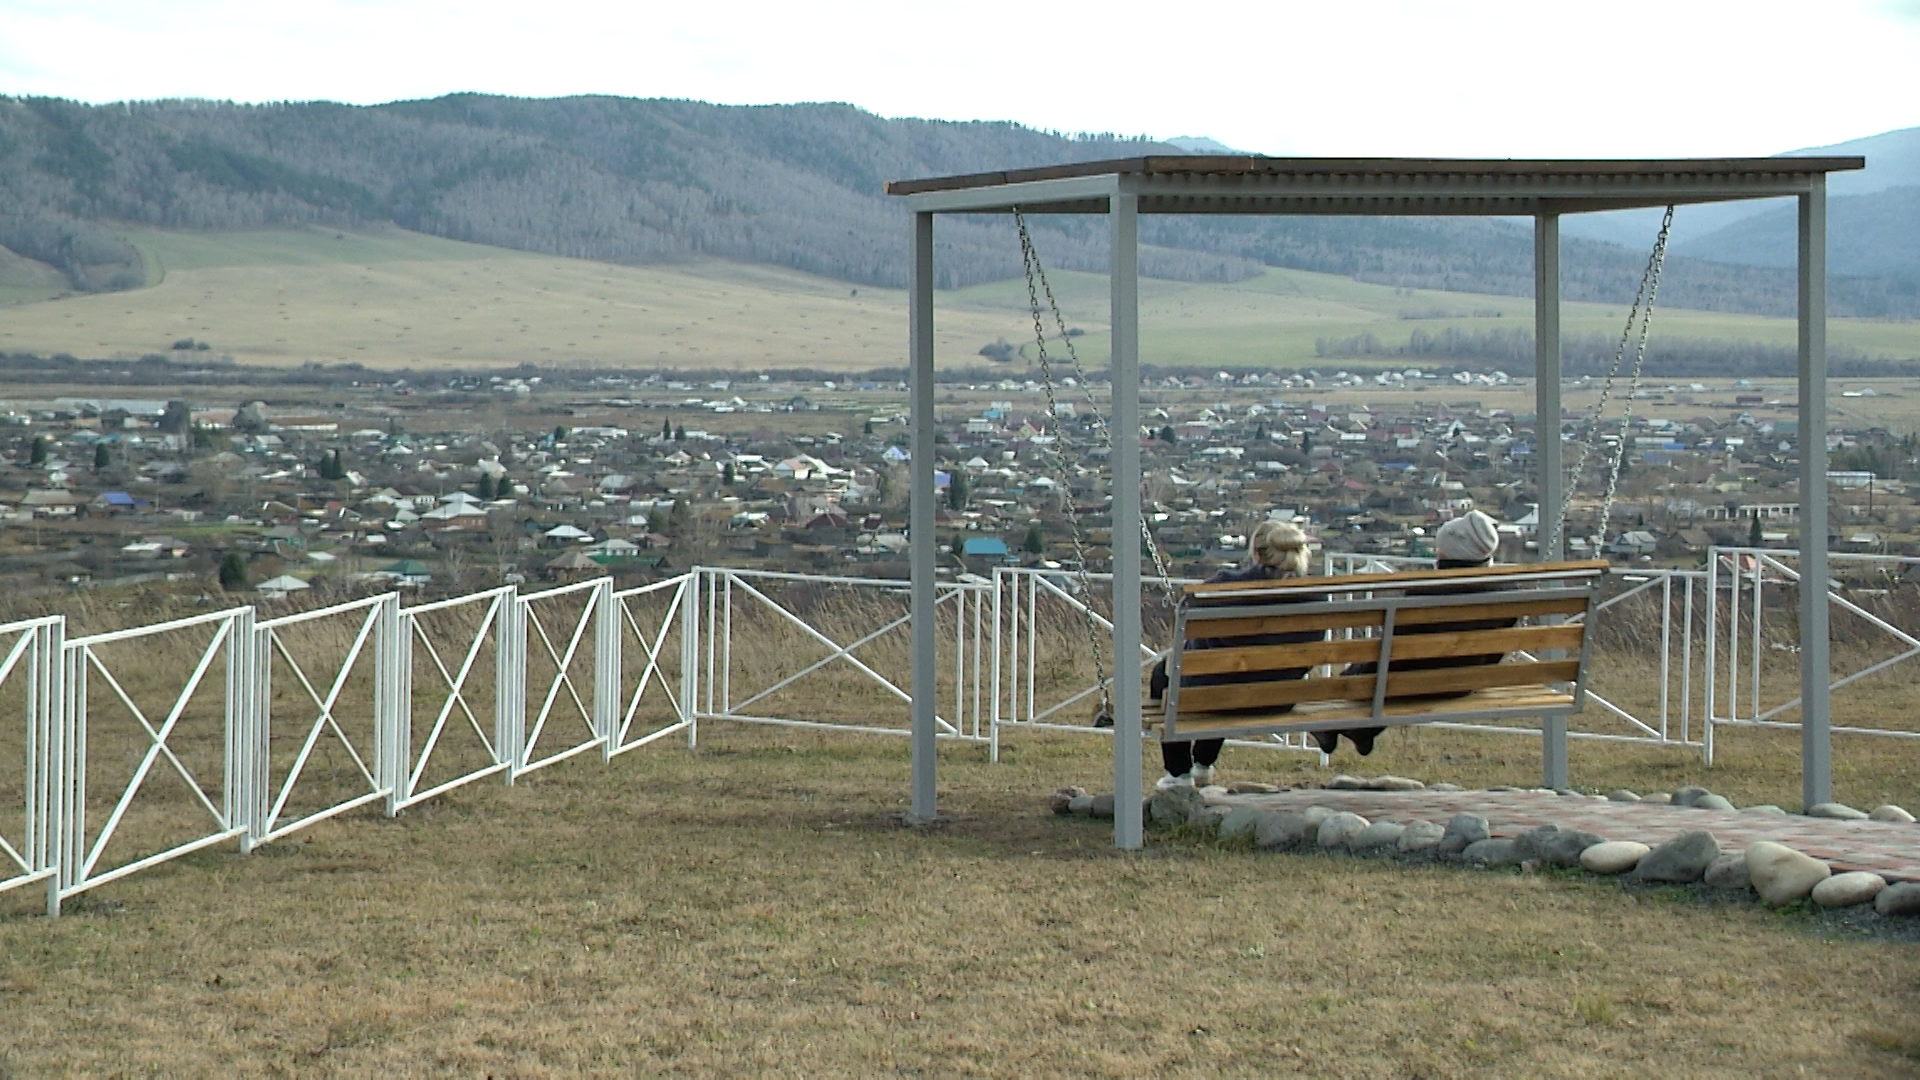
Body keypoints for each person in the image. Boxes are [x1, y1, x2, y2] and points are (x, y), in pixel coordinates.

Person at [1149, 519, 1321, 789]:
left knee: (1165, 675)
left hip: (1217, 697)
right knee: (1225, 681)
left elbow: (1190, 627)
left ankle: (1180, 774)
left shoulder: (1224, 585)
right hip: (1280, 698)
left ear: (1257, 554)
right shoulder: (1314, 597)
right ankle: (1203, 764)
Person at [1325, 509, 1507, 756]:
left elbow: (1395, 651)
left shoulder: (1424, 595)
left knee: (1362, 675)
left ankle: (1348, 729)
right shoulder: (1506, 592)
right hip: (1468, 682)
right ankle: (1359, 731)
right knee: (1389, 670)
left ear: (1448, 553)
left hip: (1415, 683)